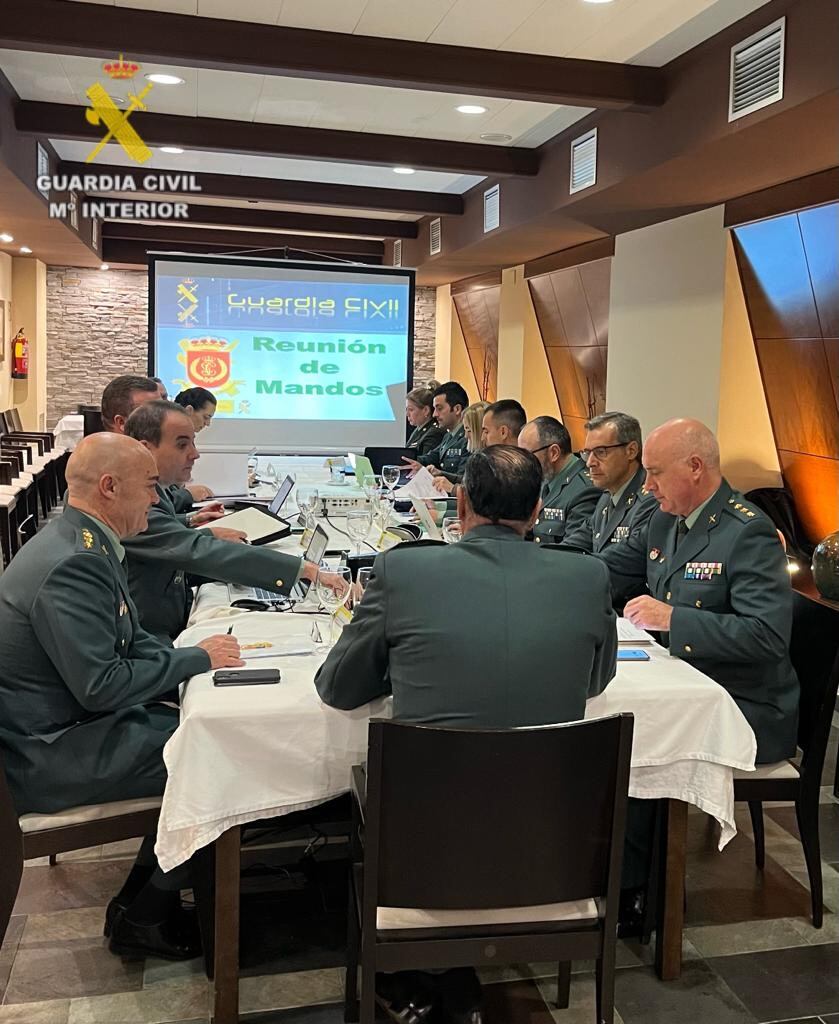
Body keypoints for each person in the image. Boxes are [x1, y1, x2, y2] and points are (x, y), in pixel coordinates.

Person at [316, 445, 616, 1024]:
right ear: (537, 509)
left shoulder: (404, 569)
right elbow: (596, 680)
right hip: (553, 844)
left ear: (460, 501)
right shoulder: (587, 575)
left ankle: (410, 972)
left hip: (423, 856)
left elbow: (338, 688)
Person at [0, 433, 242, 959]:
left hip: (63, 729)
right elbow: (102, 685)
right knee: (217, 754)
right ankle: (147, 913)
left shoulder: (82, 540)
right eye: (150, 487)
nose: (158, 501)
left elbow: (125, 643)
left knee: (203, 733)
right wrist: (195, 660)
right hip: (49, 752)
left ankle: (140, 898)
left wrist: (180, 663)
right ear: (110, 487)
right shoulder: (75, 562)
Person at [602, 417, 799, 765]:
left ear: (695, 467)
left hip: (740, 705)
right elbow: (609, 567)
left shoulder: (748, 532)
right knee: (610, 723)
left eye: (656, 472)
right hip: (683, 684)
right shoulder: (665, 520)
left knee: (620, 745)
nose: (647, 486)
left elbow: (766, 636)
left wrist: (675, 619)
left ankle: (644, 818)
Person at [122, 400, 344, 641]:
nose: (195, 454)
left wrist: (198, 527)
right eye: (182, 445)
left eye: (193, 442)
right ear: (146, 449)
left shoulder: (158, 489)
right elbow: (193, 551)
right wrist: (303, 570)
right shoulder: (133, 502)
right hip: (150, 638)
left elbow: (175, 542)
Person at [563, 411, 657, 606]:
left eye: (601, 452)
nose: (590, 462)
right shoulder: (607, 497)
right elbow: (576, 542)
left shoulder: (650, 500)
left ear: (631, 451)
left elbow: (624, 562)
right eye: (587, 452)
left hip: (630, 614)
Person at [101, 375, 213, 506]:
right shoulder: (116, 469)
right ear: (121, 422)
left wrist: (190, 519)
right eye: (151, 411)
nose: (163, 414)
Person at [517, 415, 601, 545]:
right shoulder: (543, 480)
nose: (523, 463)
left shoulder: (584, 490)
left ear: (554, 453)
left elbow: (573, 551)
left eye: (527, 455)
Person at [402, 381, 470, 483]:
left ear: (457, 409)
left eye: (439, 409)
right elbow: (430, 457)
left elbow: (464, 481)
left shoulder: (468, 438)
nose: (434, 414)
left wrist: (438, 473)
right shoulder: (448, 436)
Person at [432, 401, 488, 494]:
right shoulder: (479, 456)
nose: (466, 436)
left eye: (469, 430)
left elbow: (477, 496)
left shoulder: (488, 461)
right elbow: (467, 481)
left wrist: (453, 488)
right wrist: (441, 473)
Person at [405, 384, 445, 456]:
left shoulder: (434, 433)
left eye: (411, 410)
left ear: (426, 410)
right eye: (406, 409)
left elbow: (425, 462)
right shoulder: (418, 430)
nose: (407, 414)